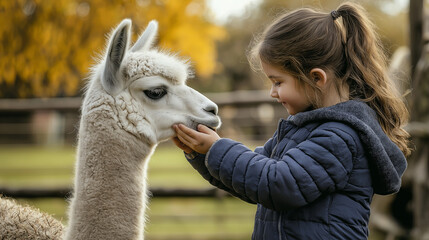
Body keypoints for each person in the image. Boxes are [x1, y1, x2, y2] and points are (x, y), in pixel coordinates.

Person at [172, 2, 411, 239]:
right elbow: (252, 179)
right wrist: (203, 154)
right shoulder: (301, 129)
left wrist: (217, 148)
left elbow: (278, 184)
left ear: (316, 78)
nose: (272, 93)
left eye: (278, 82)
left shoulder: (340, 136)